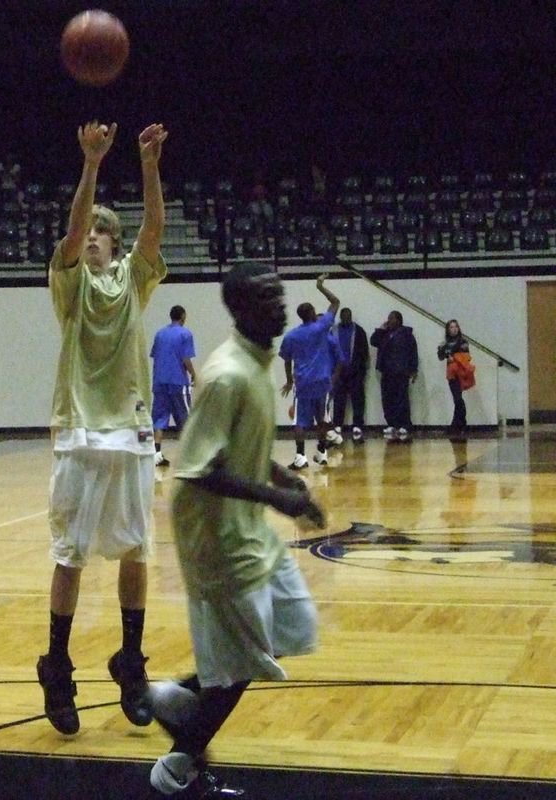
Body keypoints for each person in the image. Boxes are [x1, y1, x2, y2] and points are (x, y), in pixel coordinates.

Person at [146, 262, 326, 798]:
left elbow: (242, 447)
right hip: (215, 534)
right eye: (269, 298)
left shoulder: (258, 361)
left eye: (281, 294)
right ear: (241, 310)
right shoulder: (226, 375)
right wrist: (279, 500)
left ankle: (179, 694)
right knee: (247, 660)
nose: (282, 305)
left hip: (247, 529)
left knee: (292, 623)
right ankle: (177, 769)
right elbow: (201, 468)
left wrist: (282, 479)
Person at [36, 119, 169, 736]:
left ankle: (130, 661)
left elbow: (153, 230)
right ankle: (57, 664)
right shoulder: (69, 284)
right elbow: (68, 230)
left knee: (137, 550)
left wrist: (147, 164)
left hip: (132, 431)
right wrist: (91, 162)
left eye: (99, 233)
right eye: (86, 231)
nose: (89, 237)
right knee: (71, 557)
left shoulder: (134, 279)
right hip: (81, 432)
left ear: (113, 244)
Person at [279, 275, 340, 468]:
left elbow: (286, 360)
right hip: (322, 381)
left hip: (303, 382)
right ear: (312, 313)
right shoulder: (321, 328)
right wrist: (320, 286)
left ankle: (300, 456)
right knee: (321, 419)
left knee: (299, 422)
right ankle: (322, 452)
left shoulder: (291, 336)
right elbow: (335, 302)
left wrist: (289, 381)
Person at [150, 305, 196, 467]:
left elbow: (155, 357)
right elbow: (186, 359)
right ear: (183, 316)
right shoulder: (185, 334)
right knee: (187, 420)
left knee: (159, 419)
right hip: (178, 382)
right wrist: (194, 375)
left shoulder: (160, 334)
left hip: (159, 382)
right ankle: (190, 457)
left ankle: (156, 454)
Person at [370, 310, 419, 442]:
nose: (389, 321)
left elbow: (413, 352)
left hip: (401, 372)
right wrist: (381, 329)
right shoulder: (385, 334)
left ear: (398, 320)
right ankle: (391, 424)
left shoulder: (407, 335)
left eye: (391, 318)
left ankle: (404, 425)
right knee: (387, 399)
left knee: (401, 399)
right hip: (387, 372)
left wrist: (414, 370)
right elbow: (373, 341)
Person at [331, 307, 369, 443]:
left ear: (351, 316)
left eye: (349, 316)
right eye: (345, 316)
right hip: (338, 372)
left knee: (358, 400)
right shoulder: (333, 330)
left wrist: (361, 370)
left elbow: (364, 352)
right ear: (341, 317)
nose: (347, 318)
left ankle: (358, 426)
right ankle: (337, 426)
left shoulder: (359, 331)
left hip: (355, 371)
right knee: (338, 400)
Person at [437, 319, 471, 440]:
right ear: (448, 329)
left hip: (460, 372)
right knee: (456, 397)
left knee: (458, 398)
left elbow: (467, 356)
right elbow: (440, 356)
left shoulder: (463, 342)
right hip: (451, 373)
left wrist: (453, 355)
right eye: (451, 327)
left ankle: (459, 423)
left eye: (456, 326)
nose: (454, 329)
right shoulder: (445, 343)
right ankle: (459, 423)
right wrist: (443, 350)